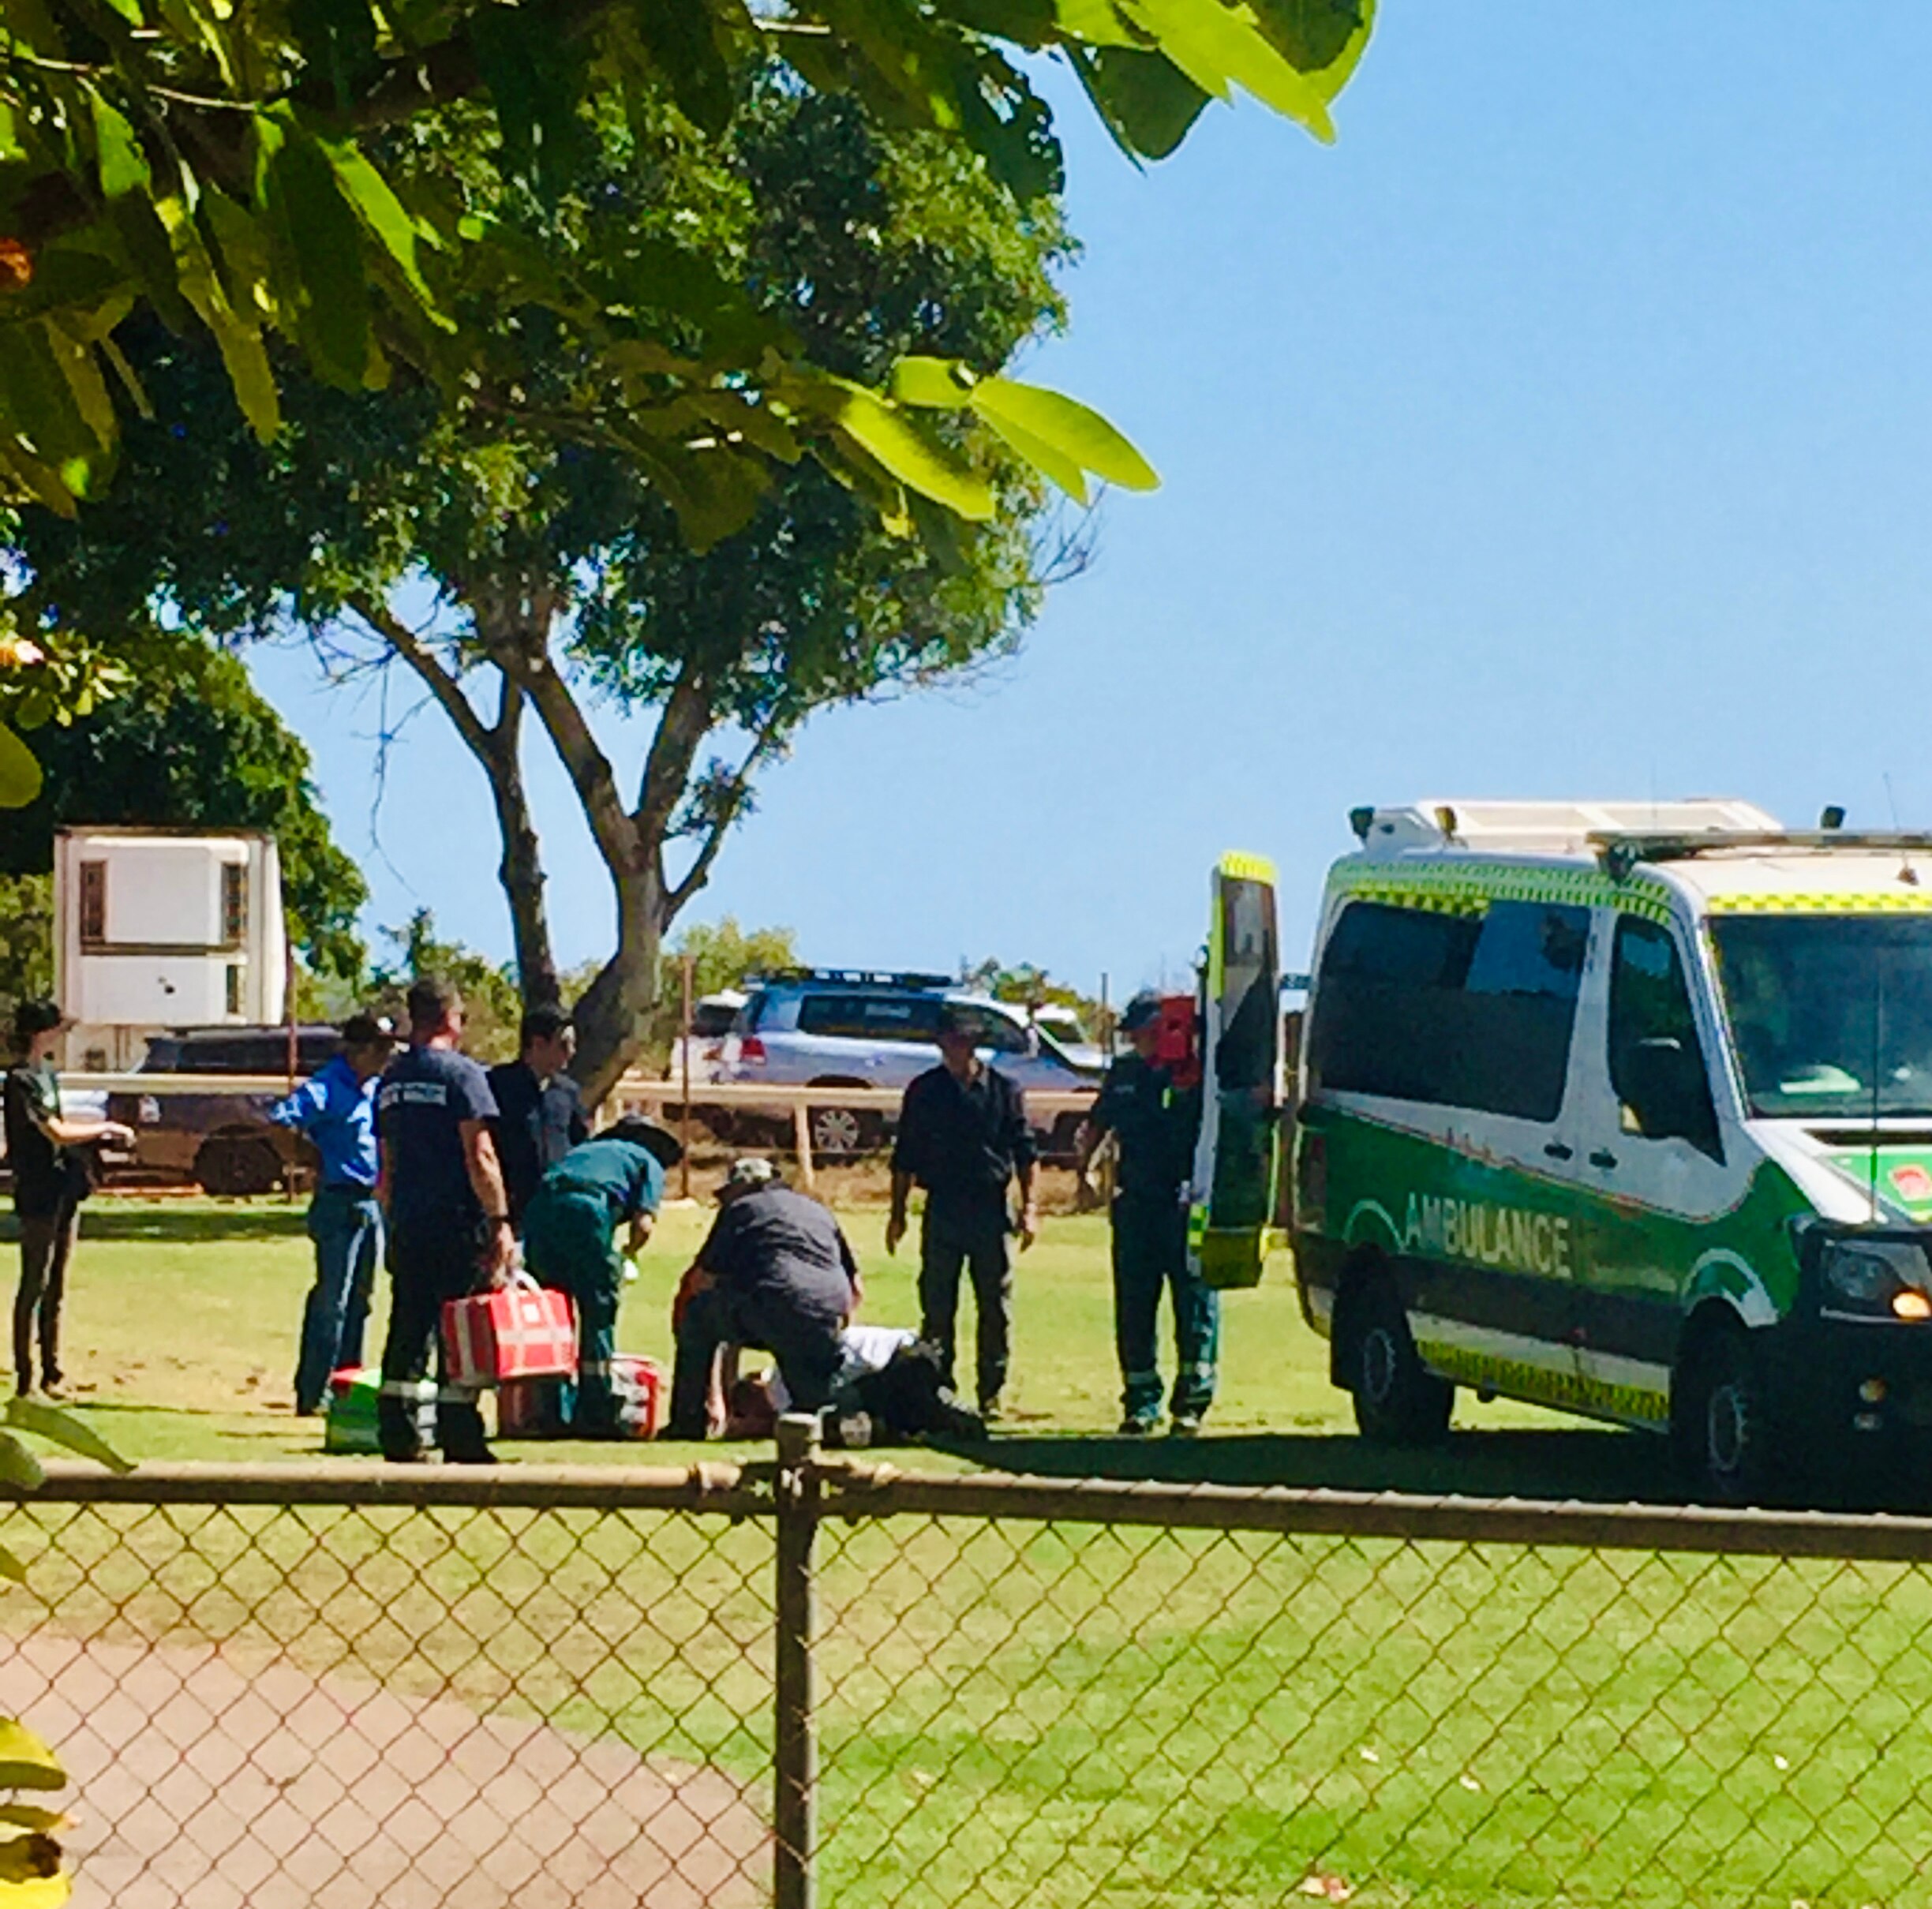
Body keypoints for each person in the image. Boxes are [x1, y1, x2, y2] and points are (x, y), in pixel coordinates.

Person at [374, 976, 514, 1463]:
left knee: (408, 1326)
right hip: (457, 1222)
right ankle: (461, 1435)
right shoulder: (462, 1075)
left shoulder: (391, 1080)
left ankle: (398, 1432)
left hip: (409, 1220)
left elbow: (386, 1165)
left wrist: (392, 1220)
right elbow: (481, 1155)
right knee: (461, 1328)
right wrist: (500, 1220)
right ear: (451, 1018)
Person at [1076, 991, 1219, 1436]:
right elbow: (1098, 1124)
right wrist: (1085, 1172)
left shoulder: (1197, 1073)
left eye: (1145, 1032)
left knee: (1194, 1305)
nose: (1138, 1041)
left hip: (1186, 1205)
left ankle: (1191, 1404)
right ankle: (1141, 1401)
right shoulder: (1125, 1075)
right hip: (1137, 1203)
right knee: (1135, 1305)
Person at [886, 1001, 1037, 1421]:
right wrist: (897, 1213)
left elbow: (1025, 1151)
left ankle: (991, 1391)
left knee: (995, 1304)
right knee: (937, 1302)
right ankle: (939, 1386)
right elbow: (905, 1157)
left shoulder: (1005, 1090)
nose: (957, 1048)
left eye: (964, 1041)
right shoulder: (925, 1090)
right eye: (950, 1041)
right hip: (944, 1207)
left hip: (990, 1206)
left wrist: (1031, 1208)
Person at [662, 1159, 862, 1439]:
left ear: (740, 1189)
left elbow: (701, 1279)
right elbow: (856, 1288)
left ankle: (689, 1421)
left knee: (697, 1315)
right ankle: (825, 1423)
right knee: (812, 1401)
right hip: (827, 1311)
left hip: (772, 1306)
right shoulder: (818, 1211)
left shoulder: (741, 1209)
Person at [521, 1114, 684, 1435]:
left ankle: (549, 1411)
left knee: (552, 1314)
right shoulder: (645, 1160)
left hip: (540, 1210)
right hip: (586, 1210)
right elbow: (643, 1224)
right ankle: (594, 1413)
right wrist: (628, 1255)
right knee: (598, 1310)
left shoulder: (588, 1151)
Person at [269, 1013, 396, 1415]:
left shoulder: (374, 1087)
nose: (386, 1057)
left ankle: (347, 1385)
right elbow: (279, 1123)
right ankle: (314, 1390)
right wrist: (312, 1159)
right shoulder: (327, 1085)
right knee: (333, 1300)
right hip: (337, 1202)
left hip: (369, 1201)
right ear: (358, 1050)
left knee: (362, 1300)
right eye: (380, 1049)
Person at [5, 1001, 132, 1400]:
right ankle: (24, 1378)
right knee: (35, 1282)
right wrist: (104, 1127)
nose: (61, 1035)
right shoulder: (20, 1080)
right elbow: (55, 1131)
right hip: (37, 1190)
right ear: (40, 1032)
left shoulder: (47, 1075)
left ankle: (51, 1371)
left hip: (62, 1187)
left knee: (56, 1284)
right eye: (56, 1029)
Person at [486, 1005, 590, 1232]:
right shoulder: (497, 1085)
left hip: (558, 1211)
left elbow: (580, 1147)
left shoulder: (568, 1092)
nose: (571, 1052)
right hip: (512, 1215)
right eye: (563, 1044)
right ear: (538, 1044)